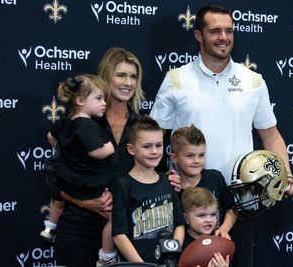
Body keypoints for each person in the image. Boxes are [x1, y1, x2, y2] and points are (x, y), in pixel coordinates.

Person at [150, 4, 293, 267]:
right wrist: (157, 182)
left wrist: (286, 171)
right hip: (189, 202)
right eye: (215, 31)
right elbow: (154, 138)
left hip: (239, 202)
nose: (223, 38)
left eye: (229, 31)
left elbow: (271, 135)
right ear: (198, 35)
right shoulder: (176, 79)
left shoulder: (253, 80)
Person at [52, 48, 181, 267]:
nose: (128, 82)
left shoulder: (144, 126)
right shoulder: (81, 122)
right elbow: (55, 177)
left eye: (133, 76)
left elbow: (154, 176)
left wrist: (169, 182)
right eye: (121, 75)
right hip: (80, 228)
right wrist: (85, 202)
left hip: (133, 238)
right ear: (105, 77)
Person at [42, 74, 119, 266]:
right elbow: (96, 152)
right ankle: (106, 256)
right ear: (80, 101)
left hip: (67, 178)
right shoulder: (88, 125)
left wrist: (66, 148)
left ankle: (49, 227)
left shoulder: (65, 121)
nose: (104, 103)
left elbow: (50, 138)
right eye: (99, 99)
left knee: (58, 198)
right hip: (88, 185)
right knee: (114, 218)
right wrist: (110, 147)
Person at [111, 114, 185, 263]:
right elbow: (119, 234)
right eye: (147, 146)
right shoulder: (123, 184)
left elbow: (179, 225)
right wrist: (141, 265)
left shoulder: (168, 181)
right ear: (131, 149)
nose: (154, 151)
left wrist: (171, 255)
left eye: (158, 145)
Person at [170, 124, 236, 239]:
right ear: (174, 158)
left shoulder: (215, 177)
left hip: (217, 248)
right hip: (185, 252)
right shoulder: (170, 186)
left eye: (201, 155)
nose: (196, 161)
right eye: (190, 156)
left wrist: (223, 229)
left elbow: (232, 209)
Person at [181, 187, 230, 267]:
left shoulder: (219, 241)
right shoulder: (181, 243)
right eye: (201, 215)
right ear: (186, 218)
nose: (209, 220)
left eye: (213, 214)